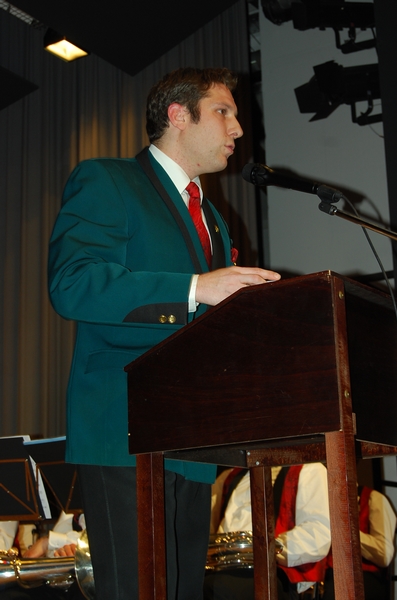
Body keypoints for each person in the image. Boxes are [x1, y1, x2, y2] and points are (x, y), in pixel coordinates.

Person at [47, 66, 281, 600]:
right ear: (178, 115)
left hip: (191, 437)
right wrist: (196, 287)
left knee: (180, 591)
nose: (238, 128)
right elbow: (73, 284)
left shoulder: (213, 218)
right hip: (124, 426)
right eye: (223, 112)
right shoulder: (107, 180)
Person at [204, 464, 331, 600]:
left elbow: (318, 534)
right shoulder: (227, 476)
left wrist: (266, 549)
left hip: (275, 575)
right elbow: (205, 530)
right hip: (221, 570)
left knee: (219, 588)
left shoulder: (310, 470)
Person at [322, 485, 397, 600]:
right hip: (328, 578)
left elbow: (384, 553)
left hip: (362, 581)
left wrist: (344, 530)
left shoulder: (373, 498)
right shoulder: (322, 499)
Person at [0, 513, 86, 600]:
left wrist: (47, 542)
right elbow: (54, 552)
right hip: (61, 580)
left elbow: (93, 537)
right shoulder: (69, 513)